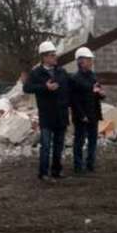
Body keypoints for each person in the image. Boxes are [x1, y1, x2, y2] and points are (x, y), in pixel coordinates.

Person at [23, 41, 70, 181]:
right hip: (47, 115)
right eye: (52, 55)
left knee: (59, 145)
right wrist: (45, 87)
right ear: (44, 57)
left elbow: (69, 87)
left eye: (55, 55)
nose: (55, 57)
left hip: (61, 114)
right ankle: (43, 173)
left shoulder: (61, 71)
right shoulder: (36, 73)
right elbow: (27, 88)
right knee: (46, 145)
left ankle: (57, 170)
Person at [70, 47, 105, 173]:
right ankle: (78, 166)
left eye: (91, 60)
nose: (91, 62)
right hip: (81, 115)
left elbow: (99, 93)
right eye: (88, 60)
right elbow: (73, 100)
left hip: (93, 114)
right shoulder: (74, 79)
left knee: (92, 141)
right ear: (80, 62)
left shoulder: (93, 76)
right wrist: (81, 115)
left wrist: (100, 93)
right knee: (79, 141)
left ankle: (90, 164)